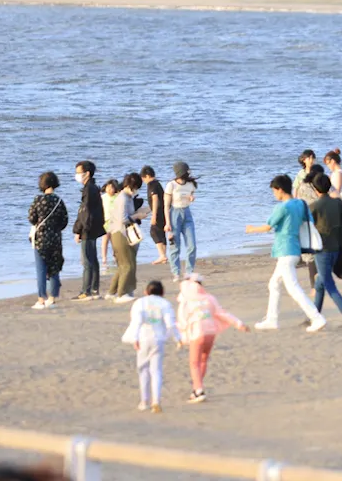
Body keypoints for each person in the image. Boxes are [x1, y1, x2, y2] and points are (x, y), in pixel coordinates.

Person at [246, 175, 328, 332]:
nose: (274, 194)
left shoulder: (282, 207)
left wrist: (251, 229)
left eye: (274, 191)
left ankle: (317, 318)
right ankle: (272, 319)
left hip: (285, 249)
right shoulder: (300, 204)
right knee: (274, 283)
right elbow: (309, 222)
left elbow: (268, 226)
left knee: (293, 288)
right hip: (295, 248)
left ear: (280, 190)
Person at [177, 273, 248, 403]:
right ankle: (196, 389)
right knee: (203, 361)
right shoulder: (209, 298)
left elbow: (183, 322)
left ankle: (198, 390)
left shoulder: (186, 301)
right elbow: (222, 313)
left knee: (194, 363)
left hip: (197, 332)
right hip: (210, 332)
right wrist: (238, 323)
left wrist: (181, 338)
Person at [121, 280, 181, 414]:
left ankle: (144, 401)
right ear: (162, 293)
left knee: (143, 370)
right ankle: (156, 401)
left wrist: (134, 338)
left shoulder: (140, 303)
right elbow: (171, 324)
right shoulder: (165, 304)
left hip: (143, 339)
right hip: (159, 339)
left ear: (146, 292)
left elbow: (136, 322)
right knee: (156, 371)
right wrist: (178, 338)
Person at [309, 174, 342, 327]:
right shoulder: (337, 203)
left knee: (328, 285)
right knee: (319, 282)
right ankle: (315, 315)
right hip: (337, 247)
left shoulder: (314, 207)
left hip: (322, 249)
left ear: (315, 189)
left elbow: (309, 230)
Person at [106, 173, 150, 303]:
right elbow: (123, 219)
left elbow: (128, 214)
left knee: (123, 265)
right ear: (133, 186)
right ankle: (122, 293)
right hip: (121, 234)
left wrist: (146, 210)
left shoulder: (127, 198)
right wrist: (138, 217)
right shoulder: (123, 198)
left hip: (121, 233)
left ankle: (113, 292)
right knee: (128, 265)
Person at [28, 172, 68, 310]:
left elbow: (32, 218)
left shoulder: (38, 200)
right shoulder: (59, 201)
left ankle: (41, 299)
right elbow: (64, 221)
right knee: (54, 267)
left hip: (41, 238)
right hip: (56, 237)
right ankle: (53, 297)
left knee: (41, 269)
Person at [72, 161, 105, 302]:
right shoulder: (93, 188)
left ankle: (86, 291)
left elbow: (84, 212)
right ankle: (94, 289)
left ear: (87, 173)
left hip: (88, 228)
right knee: (93, 259)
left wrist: (78, 230)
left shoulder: (89, 189)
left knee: (87, 261)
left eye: (79, 172)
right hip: (94, 227)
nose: (77, 175)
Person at [165, 162, 197, 281]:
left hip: (187, 213)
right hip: (174, 214)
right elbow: (166, 206)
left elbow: (191, 195)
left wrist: (191, 198)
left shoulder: (190, 184)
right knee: (175, 245)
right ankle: (176, 272)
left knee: (192, 245)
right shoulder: (171, 185)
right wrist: (167, 223)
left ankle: (189, 272)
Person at [296, 164, 326, 289]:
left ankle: (315, 285)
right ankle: (318, 284)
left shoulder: (302, 186)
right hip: (317, 223)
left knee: (311, 257)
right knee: (317, 254)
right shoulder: (315, 187)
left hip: (306, 223)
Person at [141, 167, 168, 265]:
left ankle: (162, 255)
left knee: (154, 231)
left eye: (143, 179)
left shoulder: (151, 184)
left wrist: (153, 215)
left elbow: (155, 199)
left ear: (147, 176)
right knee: (161, 232)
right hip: (164, 211)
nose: (143, 181)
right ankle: (164, 256)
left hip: (159, 212)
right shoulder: (157, 183)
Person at [100, 179, 120, 273]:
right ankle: (104, 258)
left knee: (114, 241)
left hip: (115, 222)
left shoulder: (118, 197)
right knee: (105, 240)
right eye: (108, 187)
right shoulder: (103, 197)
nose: (109, 189)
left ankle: (116, 256)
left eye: (111, 187)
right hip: (105, 221)